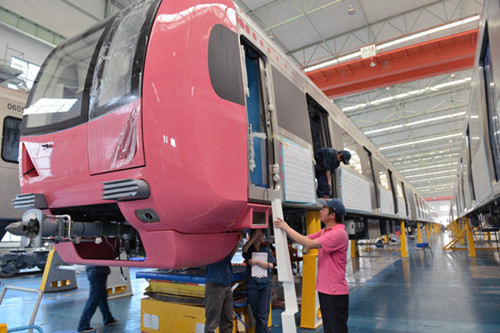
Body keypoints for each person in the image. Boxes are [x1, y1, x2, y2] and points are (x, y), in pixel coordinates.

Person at [274, 198, 349, 333]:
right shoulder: (325, 231)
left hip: (335, 292)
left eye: (323, 209)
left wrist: (286, 227)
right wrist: (284, 232)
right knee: (330, 328)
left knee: (336, 329)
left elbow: (309, 244)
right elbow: (306, 238)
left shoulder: (338, 234)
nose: (320, 211)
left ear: (332, 215)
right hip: (326, 290)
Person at [204, 235, 242, 333]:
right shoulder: (211, 245)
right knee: (212, 322)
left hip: (226, 284)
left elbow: (229, 257)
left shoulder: (224, 246)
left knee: (227, 320)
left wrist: (238, 242)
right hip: (215, 285)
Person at [242, 229, 276, 333]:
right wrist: (253, 238)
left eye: (261, 232)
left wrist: (256, 262)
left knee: (263, 314)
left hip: (265, 284)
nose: (259, 235)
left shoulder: (266, 247)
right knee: (257, 314)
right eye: (256, 232)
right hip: (252, 285)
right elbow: (244, 250)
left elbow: (271, 265)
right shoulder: (249, 249)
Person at [77, 266, 119, 332]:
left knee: (102, 298)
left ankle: (108, 320)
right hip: (96, 271)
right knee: (93, 300)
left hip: (99, 271)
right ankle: (83, 325)